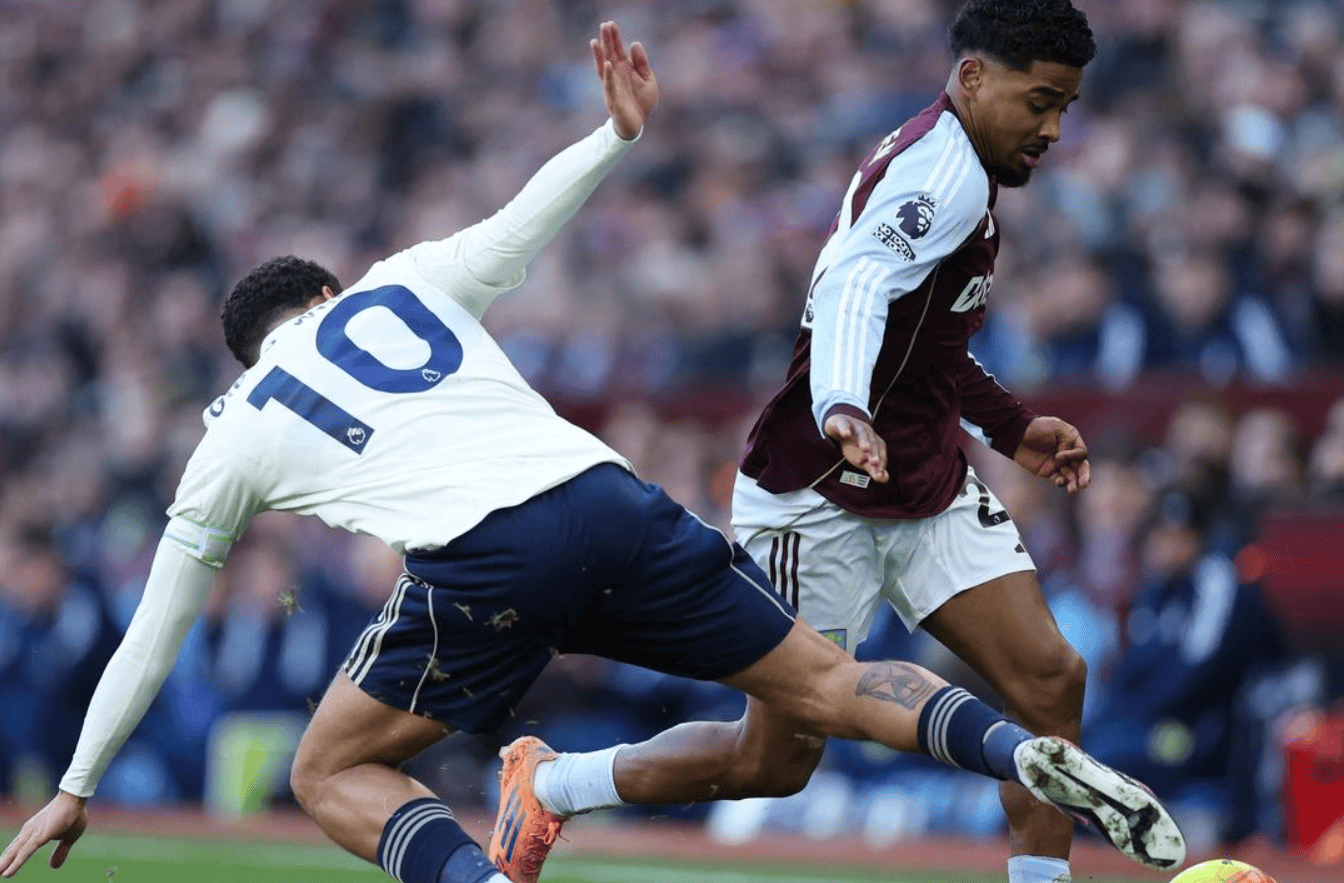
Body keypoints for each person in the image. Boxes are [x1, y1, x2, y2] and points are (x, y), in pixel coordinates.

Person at [0, 19, 1184, 883]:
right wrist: (613, 136)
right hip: (612, 498)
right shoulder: (396, 284)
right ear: (325, 294)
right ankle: (1015, 748)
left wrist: (77, 784)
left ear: (248, 352)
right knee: (825, 688)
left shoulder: (234, 429)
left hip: (485, 559)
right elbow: (518, 230)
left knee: (329, 770)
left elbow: (157, 622)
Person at [489, 5, 1118, 883]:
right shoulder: (943, 175)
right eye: (1041, 102)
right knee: (775, 762)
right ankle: (554, 782)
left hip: (923, 482)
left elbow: (921, 336)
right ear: (974, 78)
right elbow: (857, 285)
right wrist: (841, 404)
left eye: (1065, 107)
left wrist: (1009, 425)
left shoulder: (946, 163)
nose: (1052, 129)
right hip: (816, 495)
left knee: (1050, 677)